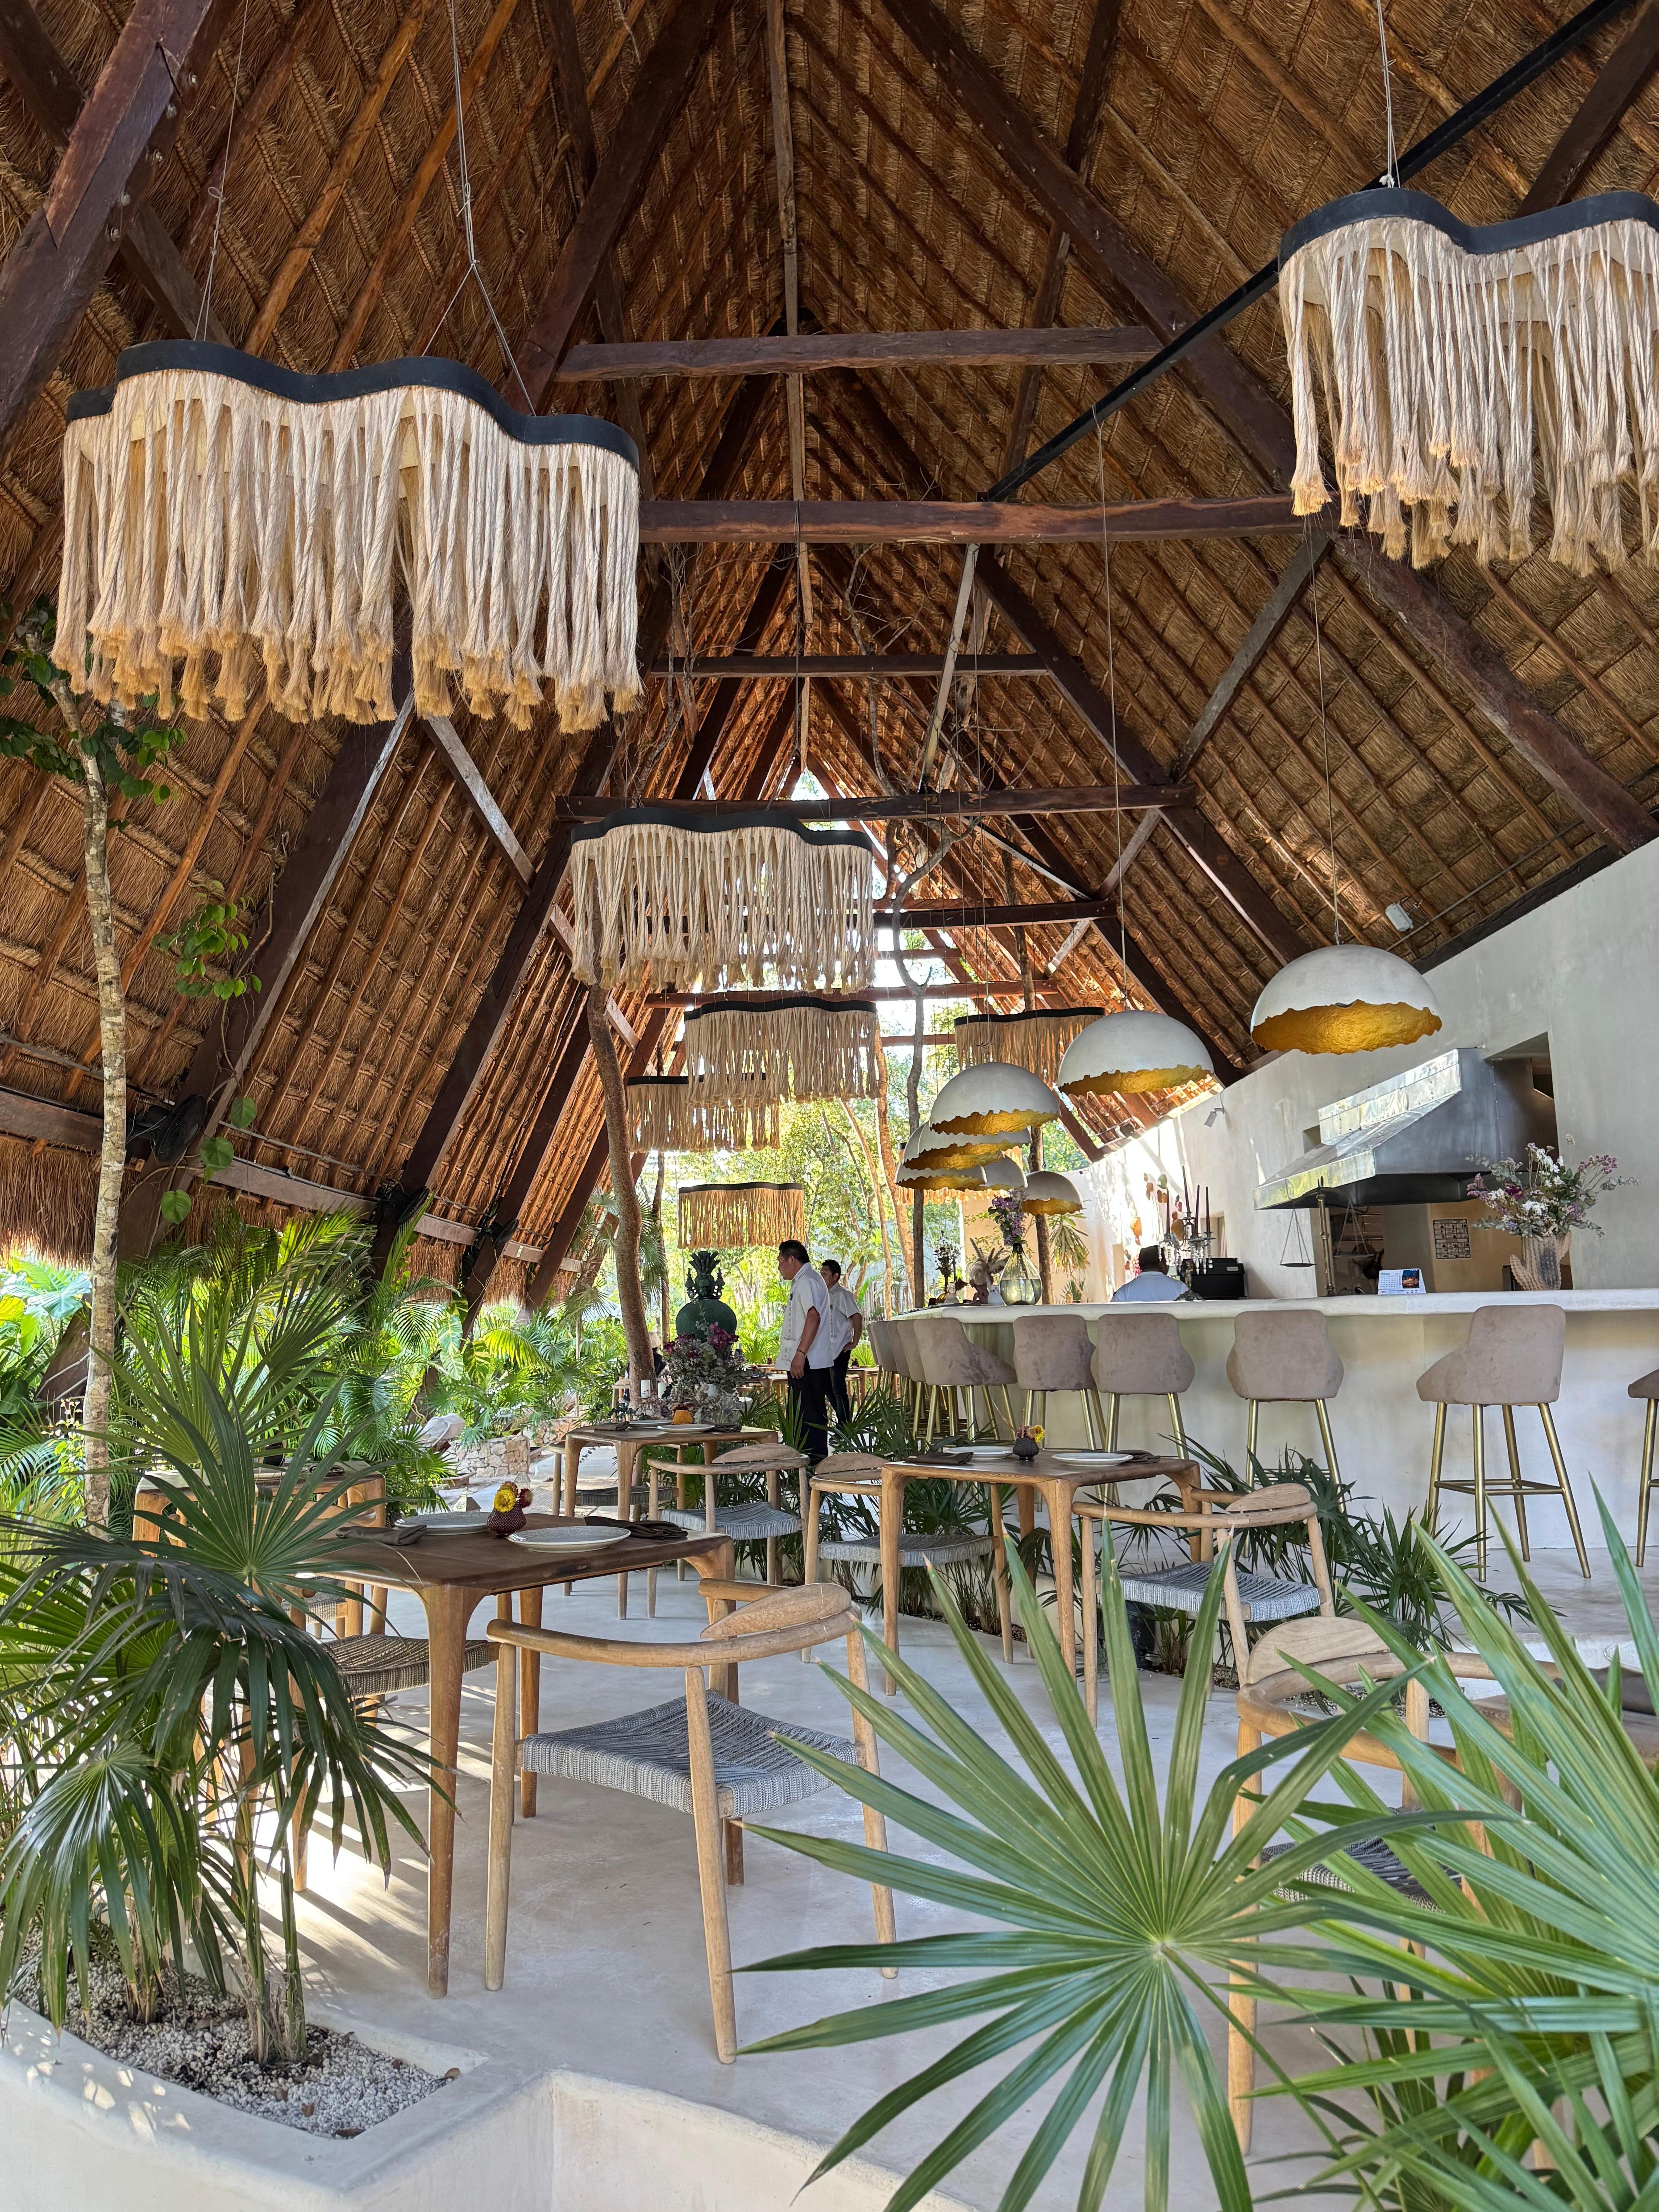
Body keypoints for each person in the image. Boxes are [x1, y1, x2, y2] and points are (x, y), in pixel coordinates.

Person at [777, 1239, 835, 1462]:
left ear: (792, 1260)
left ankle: (813, 1463)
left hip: (808, 1361)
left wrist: (800, 1354)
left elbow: (814, 1316)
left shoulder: (808, 1281)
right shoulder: (804, 1280)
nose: (780, 1267)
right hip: (805, 1359)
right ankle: (806, 1462)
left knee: (809, 1414)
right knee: (803, 1414)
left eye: (781, 1262)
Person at [820, 1258, 864, 1424]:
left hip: (840, 1348)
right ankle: (842, 1422)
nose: (822, 1276)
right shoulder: (822, 1295)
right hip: (825, 1349)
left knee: (838, 1387)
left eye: (825, 1273)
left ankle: (845, 1426)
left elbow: (856, 1317)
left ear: (835, 1276)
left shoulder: (843, 1295)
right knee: (827, 1387)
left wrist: (855, 1341)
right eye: (821, 1273)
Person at [1112, 1246, 1190, 1303]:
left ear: (1140, 1265)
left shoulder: (1125, 1291)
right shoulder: (1179, 1288)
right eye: (1165, 1262)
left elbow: (1110, 1315)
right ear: (1162, 1264)